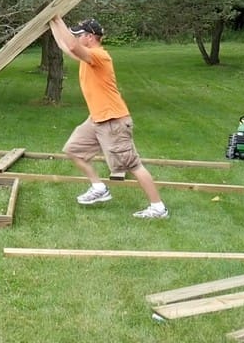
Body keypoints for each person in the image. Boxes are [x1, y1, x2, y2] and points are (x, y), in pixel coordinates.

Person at [49, 16, 168, 219]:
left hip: (113, 121)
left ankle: (158, 208)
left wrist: (57, 18)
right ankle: (99, 187)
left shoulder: (99, 56)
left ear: (91, 37)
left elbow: (71, 45)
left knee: (133, 165)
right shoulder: (88, 57)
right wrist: (50, 21)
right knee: (73, 150)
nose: (77, 38)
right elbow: (65, 46)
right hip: (96, 119)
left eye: (80, 35)